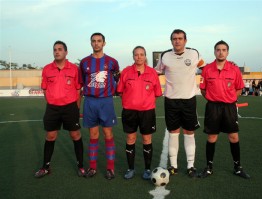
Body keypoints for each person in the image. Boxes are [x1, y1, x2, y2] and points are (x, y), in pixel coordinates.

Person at [155, 29, 205, 178]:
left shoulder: (194, 53)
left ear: (185, 40)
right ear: (171, 41)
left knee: (189, 133)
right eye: (174, 39)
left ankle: (190, 166)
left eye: (180, 38)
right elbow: (155, 72)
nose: (177, 41)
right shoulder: (165, 56)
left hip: (189, 100)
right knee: (173, 133)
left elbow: (206, 68)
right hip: (171, 100)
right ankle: (174, 166)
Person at [198, 40, 250, 179]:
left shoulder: (234, 69)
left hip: (229, 107)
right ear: (214, 51)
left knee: (233, 136)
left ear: (227, 52)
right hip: (213, 107)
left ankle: (237, 167)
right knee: (212, 137)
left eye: (224, 50)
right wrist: (213, 98)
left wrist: (229, 98)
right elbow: (203, 89)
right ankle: (209, 168)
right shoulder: (207, 69)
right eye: (218, 49)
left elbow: (239, 88)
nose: (221, 52)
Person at [35, 41, 85, 178]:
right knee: (50, 136)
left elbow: (77, 90)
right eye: (55, 49)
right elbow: (45, 89)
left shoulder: (74, 68)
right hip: (53, 108)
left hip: (70, 107)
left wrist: (76, 107)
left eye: (60, 49)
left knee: (75, 135)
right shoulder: (47, 69)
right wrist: (52, 101)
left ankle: (81, 166)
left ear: (66, 52)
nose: (57, 51)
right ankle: (45, 167)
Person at [117, 46, 162, 180]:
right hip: (129, 112)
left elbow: (157, 93)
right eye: (136, 55)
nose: (139, 57)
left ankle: (147, 169)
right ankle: (130, 169)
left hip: (147, 112)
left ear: (145, 56)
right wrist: (131, 102)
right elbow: (120, 91)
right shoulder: (125, 72)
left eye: (141, 54)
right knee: (130, 138)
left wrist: (145, 102)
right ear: (133, 56)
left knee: (147, 139)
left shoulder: (152, 73)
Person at [79, 32, 120, 180]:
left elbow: (116, 76)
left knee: (108, 134)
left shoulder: (112, 62)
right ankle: (93, 167)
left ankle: (110, 168)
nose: (96, 43)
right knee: (93, 135)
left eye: (99, 41)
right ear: (91, 43)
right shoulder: (84, 62)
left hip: (106, 101)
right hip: (90, 101)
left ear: (104, 43)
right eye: (94, 41)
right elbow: (81, 83)